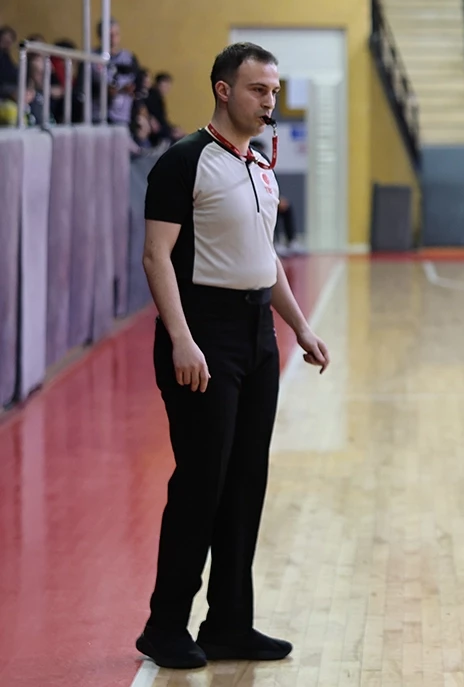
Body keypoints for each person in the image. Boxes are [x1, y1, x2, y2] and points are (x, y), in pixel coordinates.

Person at [135, 42, 330, 670]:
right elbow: (156, 257)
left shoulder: (260, 165)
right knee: (201, 482)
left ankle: (228, 624)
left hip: (255, 336)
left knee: (246, 482)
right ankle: (165, 626)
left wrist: (299, 327)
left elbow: (264, 257)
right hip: (202, 332)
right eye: (258, 90)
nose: (269, 101)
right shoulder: (183, 161)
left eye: (274, 91)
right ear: (224, 90)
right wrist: (182, 338)